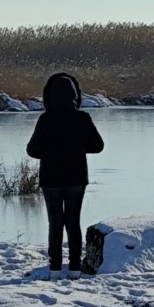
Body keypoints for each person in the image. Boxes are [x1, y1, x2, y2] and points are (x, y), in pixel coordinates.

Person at [27, 73, 105, 275]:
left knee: (55, 223)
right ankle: (74, 268)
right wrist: (77, 148)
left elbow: (32, 149)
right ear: (74, 95)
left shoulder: (45, 119)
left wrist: (50, 153)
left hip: (51, 178)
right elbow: (98, 146)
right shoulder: (82, 118)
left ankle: (54, 267)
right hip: (76, 177)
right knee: (73, 222)